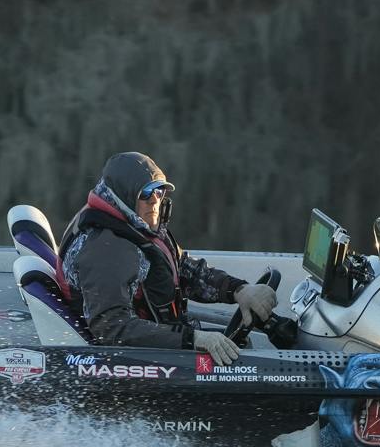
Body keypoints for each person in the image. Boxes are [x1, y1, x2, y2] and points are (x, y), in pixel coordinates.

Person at [61, 152, 277, 365]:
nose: (155, 200)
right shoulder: (107, 249)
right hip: (135, 364)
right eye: (146, 192)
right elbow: (112, 329)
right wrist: (193, 339)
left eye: (160, 190)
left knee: (243, 345)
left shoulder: (134, 224)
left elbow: (180, 268)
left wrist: (238, 290)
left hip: (161, 341)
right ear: (125, 195)